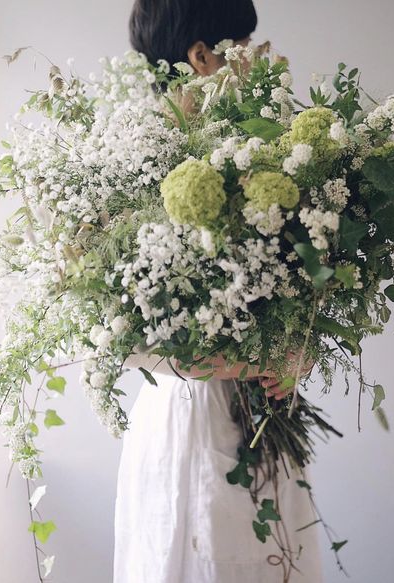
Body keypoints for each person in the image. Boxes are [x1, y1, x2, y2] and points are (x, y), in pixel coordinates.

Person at [113, 1, 324, 581]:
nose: (258, 56)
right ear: (202, 57)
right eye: (246, 41)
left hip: (261, 426)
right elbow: (112, 327)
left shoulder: (259, 152)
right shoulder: (130, 164)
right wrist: (232, 362)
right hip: (186, 421)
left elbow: (303, 285)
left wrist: (294, 349)